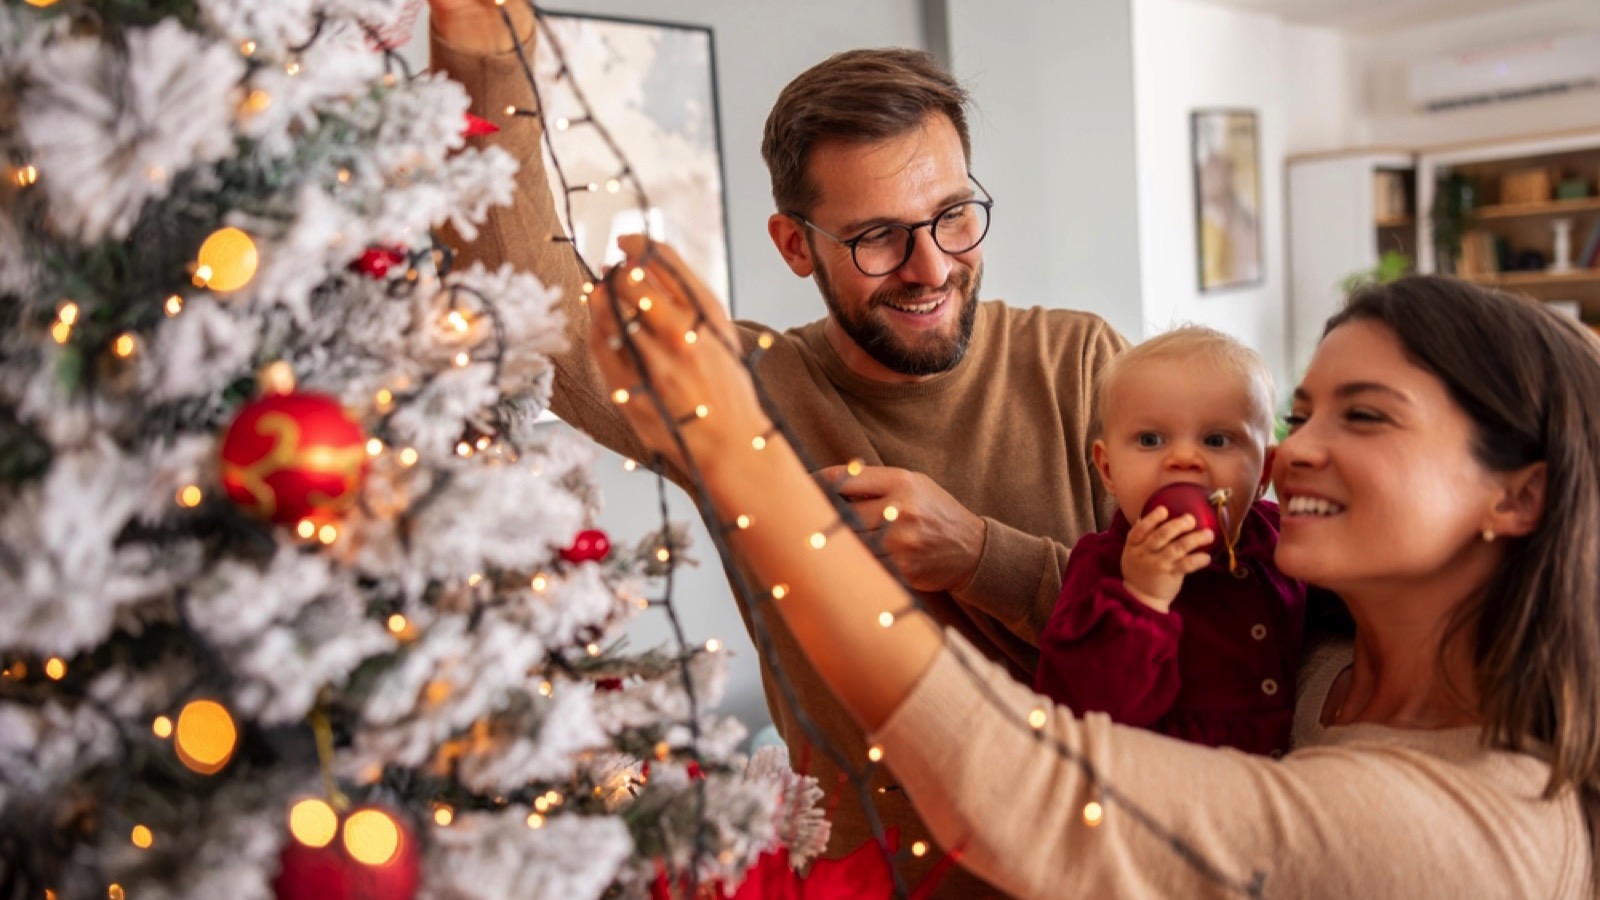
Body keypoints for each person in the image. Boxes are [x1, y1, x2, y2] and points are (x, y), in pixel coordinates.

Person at [588, 258, 1599, 897]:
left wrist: (735, 447)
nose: (1290, 456)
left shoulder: (1457, 831)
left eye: (1364, 415)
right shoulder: (1327, 647)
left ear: (1516, 499)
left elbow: (1021, 785)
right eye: (1300, 416)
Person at [427, 4, 1125, 890]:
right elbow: (534, 303)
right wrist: (485, 45)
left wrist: (981, 555)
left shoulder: (1085, 362)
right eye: (878, 238)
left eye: (953, 214)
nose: (933, 266)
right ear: (796, 245)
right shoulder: (736, 388)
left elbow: (1199, 628)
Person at [1034, 327, 1305, 757]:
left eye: (1217, 440)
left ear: (1264, 473)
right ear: (1108, 470)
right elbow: (1083, 712)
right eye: (1150, 440)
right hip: (1171, 796)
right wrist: (1143, 598)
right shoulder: (1101, 568)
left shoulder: (1283, 541)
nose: (1183, 459)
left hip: (1283, 786)